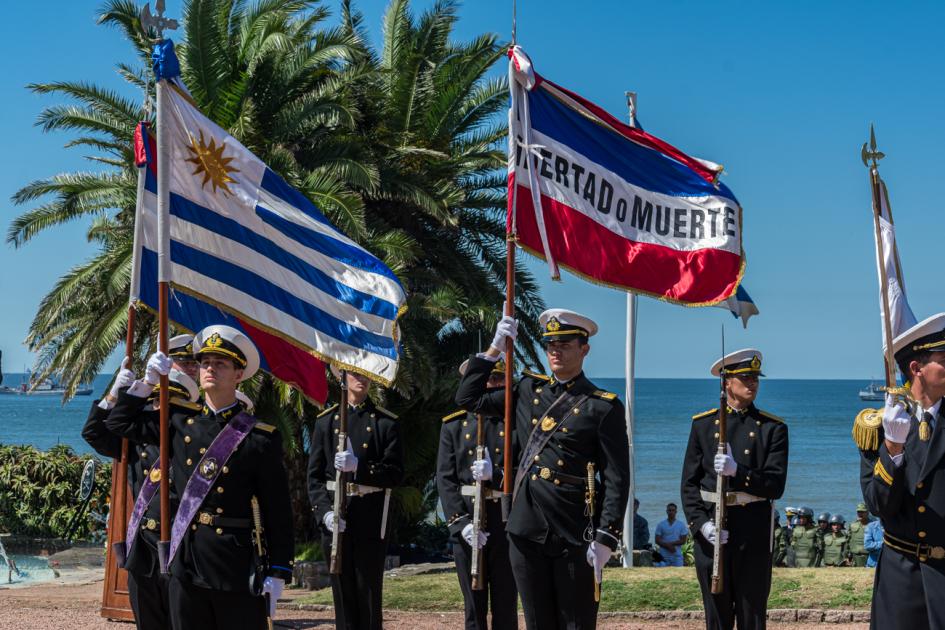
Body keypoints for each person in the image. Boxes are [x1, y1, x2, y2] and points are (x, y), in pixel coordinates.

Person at [106, 325, 294, 630]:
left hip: (234, 565)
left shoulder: (259, 438)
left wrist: (279, 570)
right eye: (205, 362)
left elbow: (277, 510)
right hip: (187, 562)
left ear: (238, 373)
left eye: (220, 364)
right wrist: (146, 382)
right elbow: (119, 423)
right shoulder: (178, 421)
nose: (210, 369)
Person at [456, 308, 629, 630]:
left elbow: (617, 477)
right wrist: (494, 349)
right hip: (526, 526)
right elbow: (468, 398)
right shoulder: (526, 391)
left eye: (564, 344)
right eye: (550, 344)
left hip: (576, 528)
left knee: (575, 621)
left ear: (584, 348)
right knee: (537, 621)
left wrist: (607, 536)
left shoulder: (601, 406)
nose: (556, 351)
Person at [83, 365, 199, 630]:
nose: (159, 408)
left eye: (167, 401)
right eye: (155, 400)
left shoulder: (191, 441)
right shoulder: (134, 442)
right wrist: (114, 395)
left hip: (182, 546)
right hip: (145, 548)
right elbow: (94, 433)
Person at [681, 348, 789, 630]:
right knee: (716, 617)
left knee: (752, 614)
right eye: (745, 378)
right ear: (726, 382)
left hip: (752, 532)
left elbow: (775, 485)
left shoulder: (772, 428)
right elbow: (689, 484)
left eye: (755, 378)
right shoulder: (703, 425)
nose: (752, 383)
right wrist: (701, 525)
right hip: (713, 532)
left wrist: (737, 472)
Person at [855, 314, 945, 629]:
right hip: (902, 572)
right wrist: (893, 448)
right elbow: (878, 505)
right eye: (943, 359)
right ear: (916, 369)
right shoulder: (878, 425)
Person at [308, 367, 404, 630]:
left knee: (368, 593)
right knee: (343, 595)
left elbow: (395, 474)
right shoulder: (326, 421)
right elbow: (314, 477)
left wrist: (359, 467)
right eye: (354, 373)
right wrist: (324, 513)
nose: (360, 379)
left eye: (365, 374)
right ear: (343, 377)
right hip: (336, 519)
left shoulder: (385, 422)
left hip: (369, 519)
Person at [437, 358, 517, 630]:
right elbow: (446, 480)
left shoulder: (516, 423)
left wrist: (497, 476)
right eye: (488, 380)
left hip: (506, 521)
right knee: (473, 606)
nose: (493, 385)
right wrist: (461, 524)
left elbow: (526, 474)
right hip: (470, 522)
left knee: (506, 605)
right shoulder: (454, 426)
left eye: (499, 379)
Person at [846, 503, 872, 567]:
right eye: (858, 512)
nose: (860, 514)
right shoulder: (852, 525)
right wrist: (848, 555)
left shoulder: (873, 525)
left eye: (862, 512)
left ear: (867, 512)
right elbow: (848, 540)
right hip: (855, 556)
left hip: (869, 555)